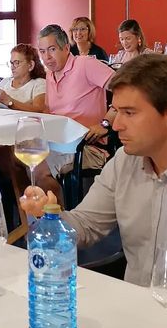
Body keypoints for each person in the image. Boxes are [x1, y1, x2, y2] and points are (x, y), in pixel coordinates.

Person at [19, 55, 167, 310]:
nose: (116, 124)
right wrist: (50, 217)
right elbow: (87, 226)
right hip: (133, 315)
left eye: (129, 113)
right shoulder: (125, 161)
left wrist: (140, 299)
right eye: (116, 111)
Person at [35, 24, 116, 198]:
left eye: (52, 49)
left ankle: (61, 221)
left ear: (65, 48)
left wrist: (106, 122)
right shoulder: (50, 74)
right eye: (42, 51)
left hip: (87, 146)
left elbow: (126, 88)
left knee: (37, 169)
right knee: (14, 159)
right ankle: (38, 216)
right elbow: (49, 111)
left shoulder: (85, 64)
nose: (46, 57)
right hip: (57, 141)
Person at [0, 43, 47, 112]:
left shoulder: (39, 83)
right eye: (11, 63)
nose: (12, 67)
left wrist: (8, 101)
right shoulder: (5, 81)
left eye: (17, 63)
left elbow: (39, 110)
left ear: (30, 65)